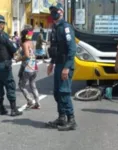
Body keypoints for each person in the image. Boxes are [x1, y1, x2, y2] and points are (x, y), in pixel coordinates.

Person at [45, 3, 77, 131]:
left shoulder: (66, 28)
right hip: (58, 63)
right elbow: (54, 48)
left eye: (55, 11)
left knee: (64, 92)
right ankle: (62, 117)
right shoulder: (54, 27)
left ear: (61, 12)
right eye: (51, 11)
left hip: (65, 64)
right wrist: (51, 63)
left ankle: (71, 120)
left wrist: (67, 67)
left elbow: (72, 49)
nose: (53, 13)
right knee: (57, 93)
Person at [0, 15, 22, 116]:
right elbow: (13, 48)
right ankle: (14, 109)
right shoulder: (3, 35)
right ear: (1, 24)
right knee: (10, 85)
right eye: (3, 24)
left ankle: (1, 108)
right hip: (4, 64)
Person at [16, 25, 41, 109]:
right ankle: (37, 103)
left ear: (24, 36)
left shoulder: (25, 44)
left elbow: (26, 55)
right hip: (34, 67)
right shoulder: (32, 43)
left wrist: (19, 59)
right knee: (33, 85)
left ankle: (30, 101)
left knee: (21, 86)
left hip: (27, 68)